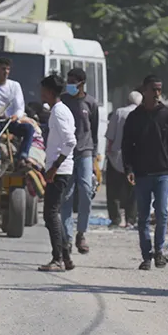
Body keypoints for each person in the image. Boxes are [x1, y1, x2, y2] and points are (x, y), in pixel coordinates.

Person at [121, 75, 168, 270]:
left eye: (159, 89)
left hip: (162, 173)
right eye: (153, 89)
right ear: (145, 91)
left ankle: (159, 251)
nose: (157, 93)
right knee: (142, 217)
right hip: (141, 173)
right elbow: (127, 145)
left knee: (162, 213)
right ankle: (146, 255)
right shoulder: (134, 117)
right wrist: (128, 168)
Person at [37, 74, 77, 272]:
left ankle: (58, 258)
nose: (41, 93)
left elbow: (70, 141)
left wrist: (54, 167)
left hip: (59, 170)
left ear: (50, 92)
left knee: (51, 214)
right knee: (54, 214)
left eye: (43, 89)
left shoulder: (60, 112)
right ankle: (66, 257)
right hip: (59, 168)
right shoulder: (59, 110)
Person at [59, 68, 99, 255]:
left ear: (81, 83)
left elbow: (94, 130)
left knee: (86, 190)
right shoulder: (63, 101)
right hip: (66, 153)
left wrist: (95, 157)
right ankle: (67, 237)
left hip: (85, 152)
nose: (70, 84)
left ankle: (81, 233)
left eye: (73, 81)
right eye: (69, 80)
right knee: (66, 195)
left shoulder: (91, 103)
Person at [0, 57, 35, 166]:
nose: (6, 72)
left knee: (29, 129)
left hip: (10, 121)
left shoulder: (15, 86)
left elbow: (20, 107)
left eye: (8, 69)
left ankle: (22, 156)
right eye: (3, 69)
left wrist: (16, 116)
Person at [105, 91, 141, 228]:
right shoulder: (143, 114)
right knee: (132, 189)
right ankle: (131, 219)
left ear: (127, 100)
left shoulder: (119, 112)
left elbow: (110, 135)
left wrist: (109, 150)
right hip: (135, 157)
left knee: (113, 189)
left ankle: (115, 219)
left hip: (116, 155)